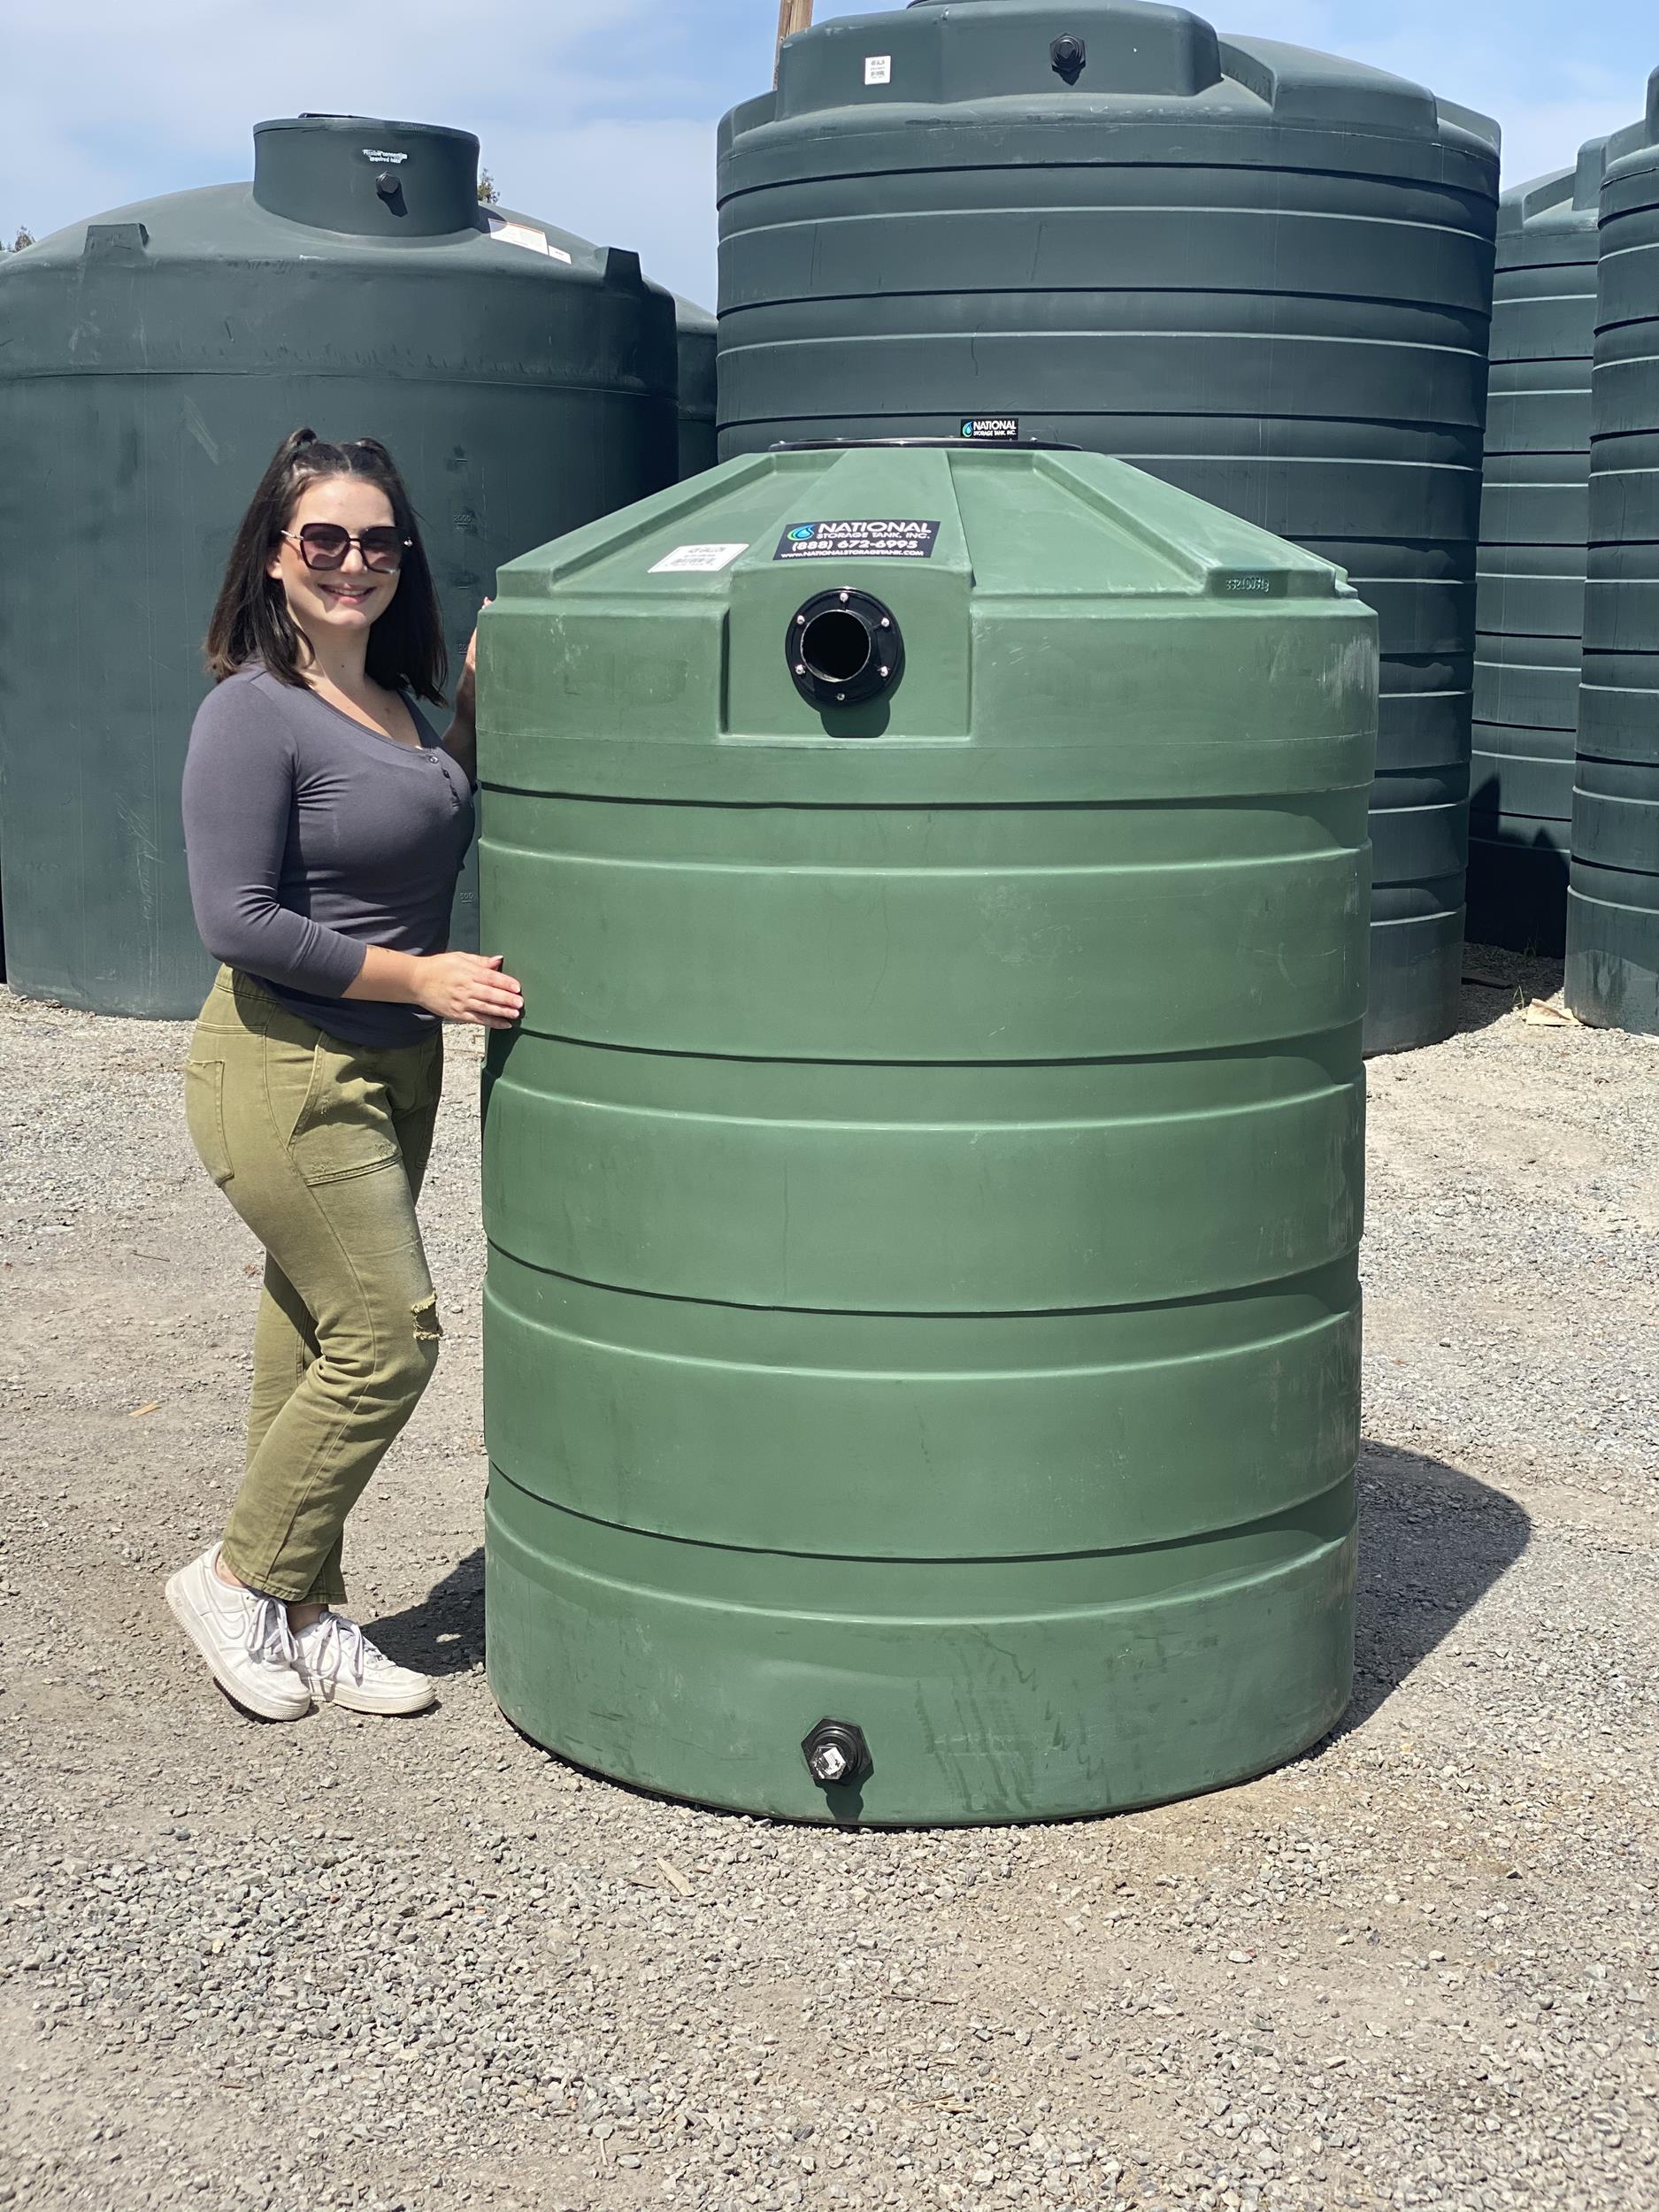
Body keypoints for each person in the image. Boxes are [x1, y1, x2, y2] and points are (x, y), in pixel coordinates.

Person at [165, 427, 521, 1723]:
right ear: (274, 556)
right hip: (284, 1067)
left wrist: (469, 715)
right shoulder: (249, 712)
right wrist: (420, 977)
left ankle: (305, 1615)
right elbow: (238, 920)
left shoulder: (394, 707)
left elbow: (423, 815)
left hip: (386, 1070)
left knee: (314, 1337)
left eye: (378, 541)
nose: (352, 561)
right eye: (323, 538)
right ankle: (232, 1579)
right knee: (387, 1339)